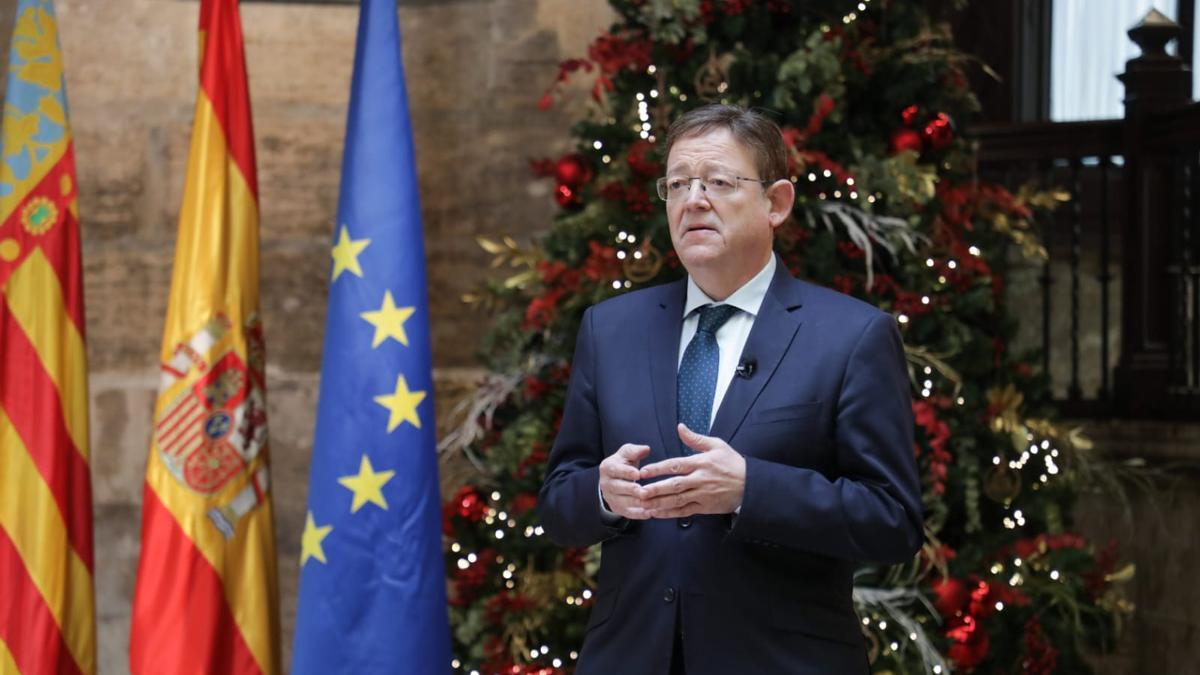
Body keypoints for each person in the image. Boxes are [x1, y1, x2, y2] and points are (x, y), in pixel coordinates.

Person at [538, 104, 923, 675]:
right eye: (677, 184)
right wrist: (601, 494)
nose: (693, 200)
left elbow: (892, 520)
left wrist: (752, 489)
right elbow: (557, 503)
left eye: (718, 181)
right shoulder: (611, 328)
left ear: (777, 203)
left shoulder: (851, 335)